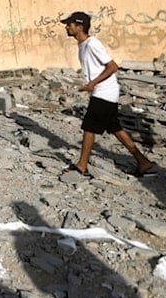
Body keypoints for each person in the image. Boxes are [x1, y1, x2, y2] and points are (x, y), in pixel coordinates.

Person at [61, 12, 155, 178]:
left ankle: (82, 165)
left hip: (105, 92)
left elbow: (112, 67)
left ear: (79, 26)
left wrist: (93, 83)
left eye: (69, 24)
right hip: (102, 91)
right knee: (115, 128)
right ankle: (143, 162)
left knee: (89, 127)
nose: (66, 27)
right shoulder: (82, 45)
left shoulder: (92, 44)